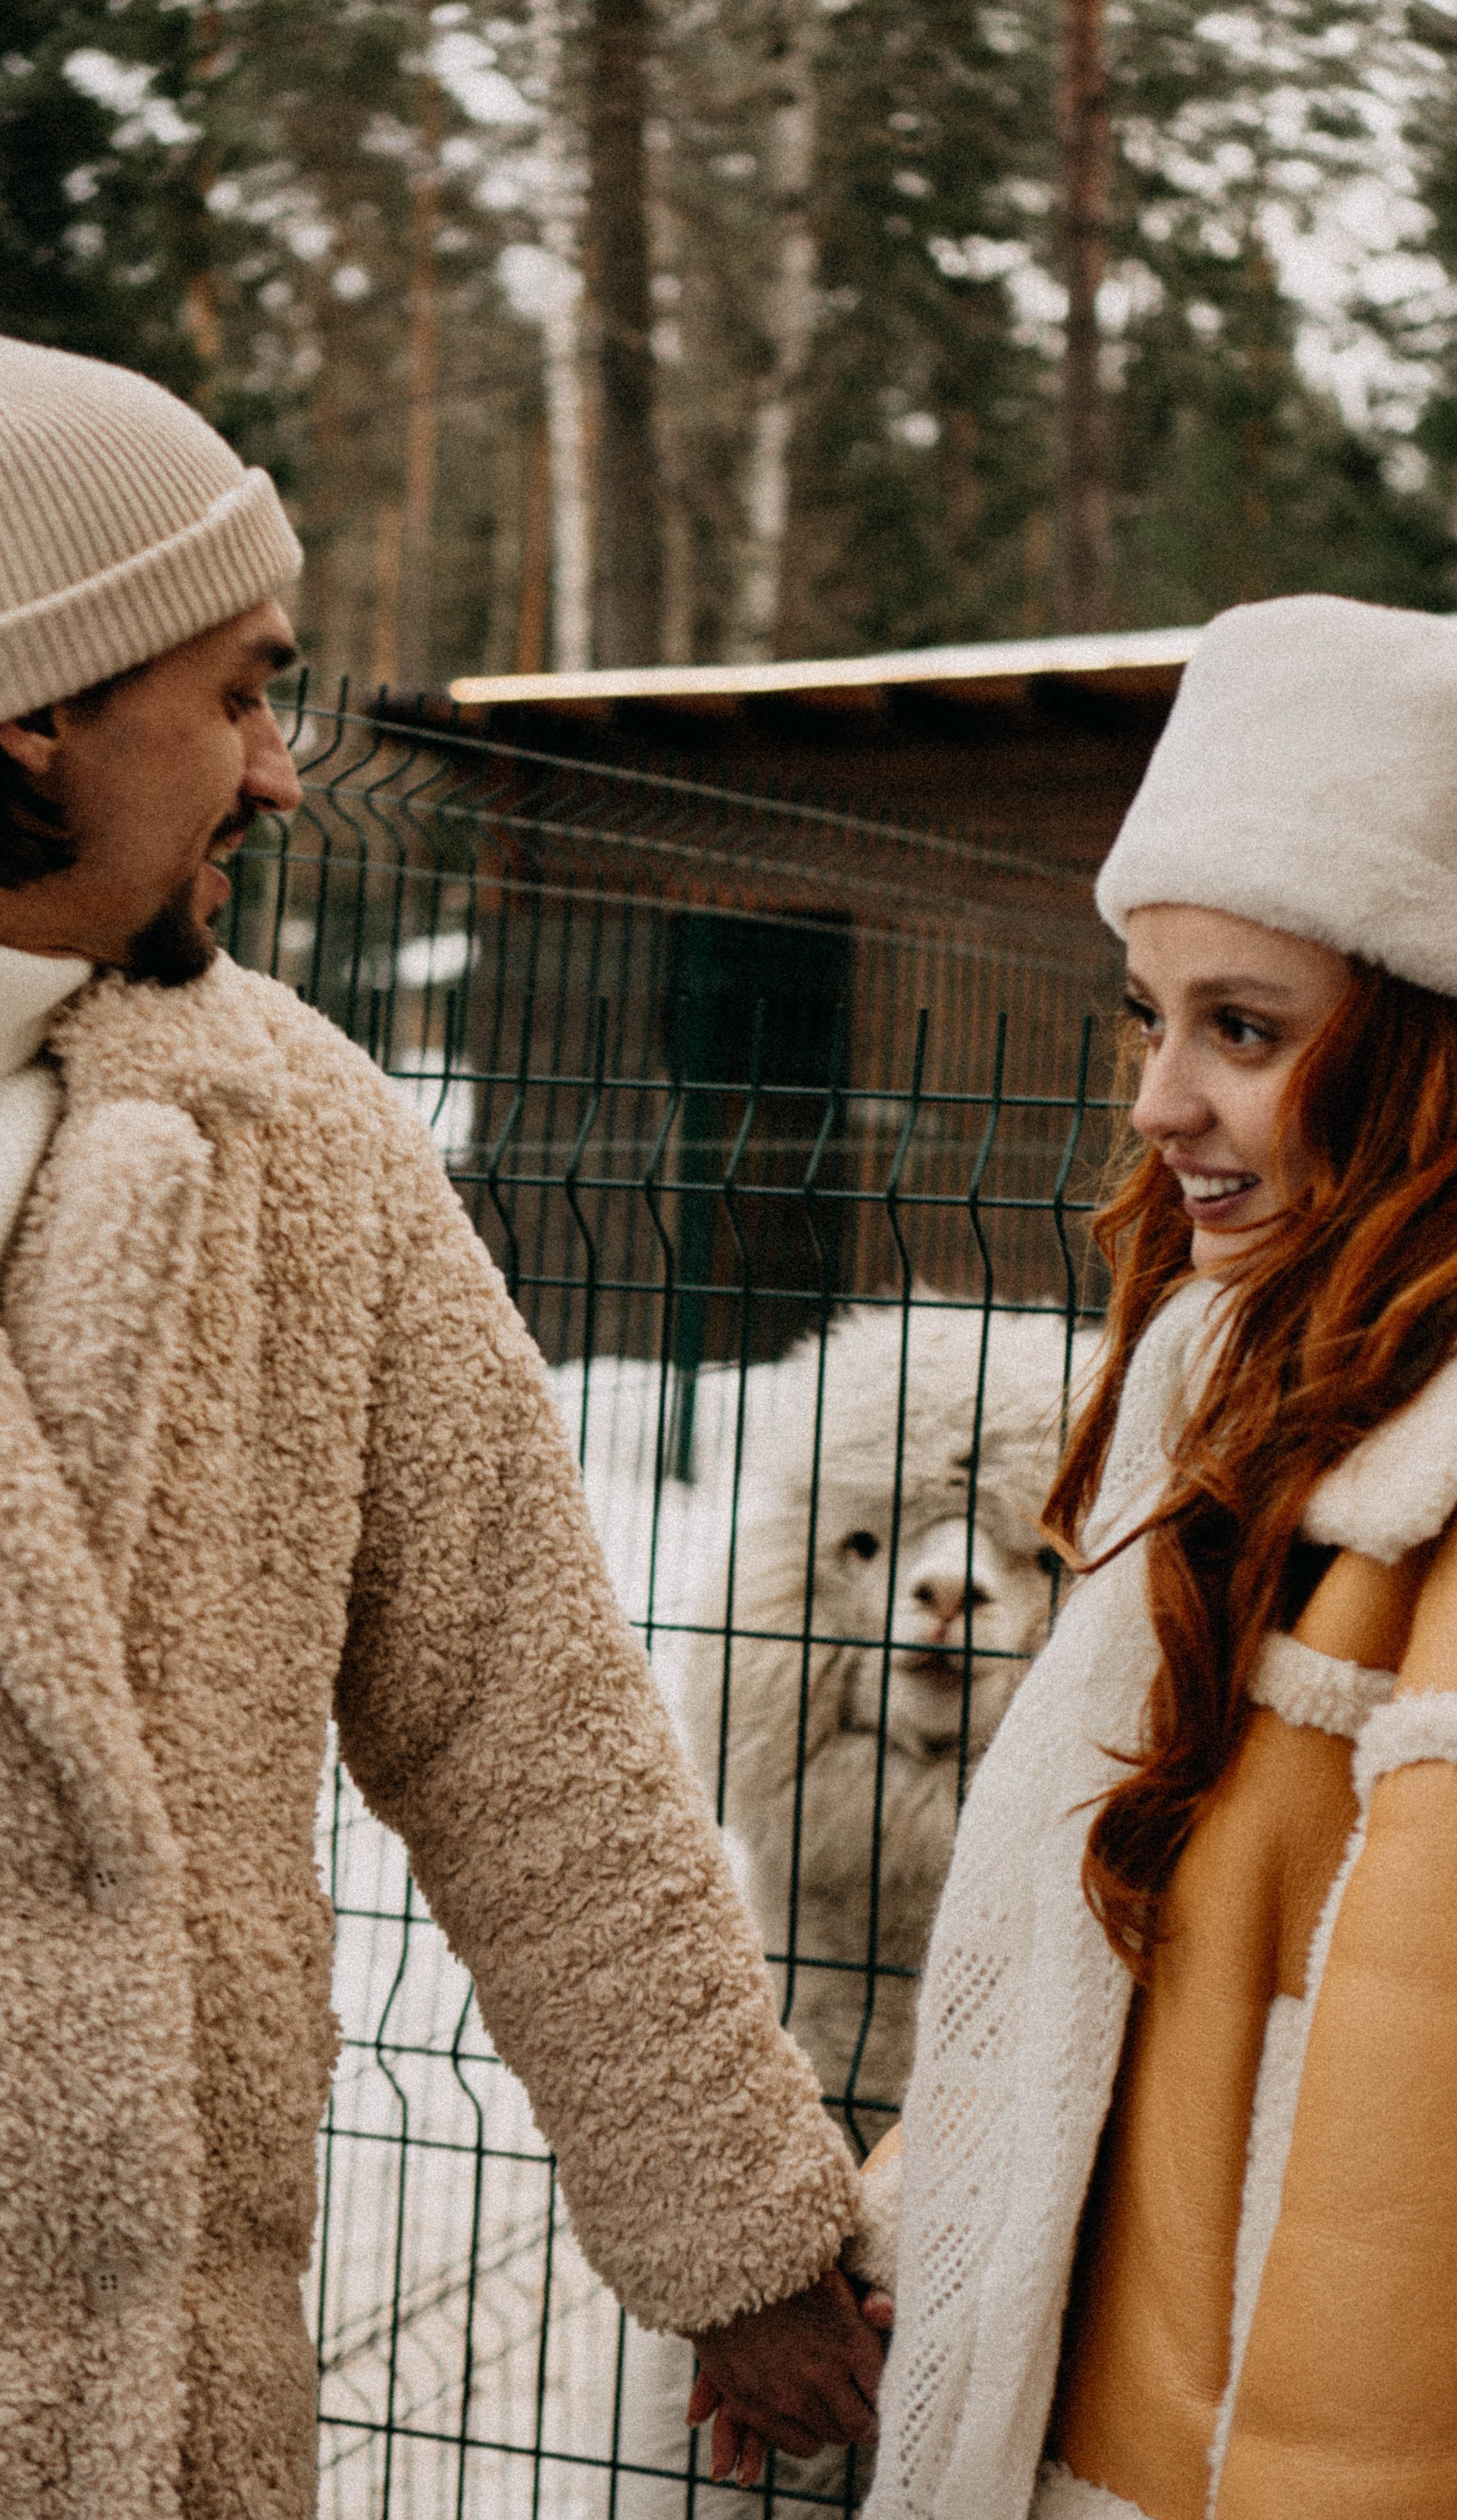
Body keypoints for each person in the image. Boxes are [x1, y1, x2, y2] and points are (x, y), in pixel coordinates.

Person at [0, 333, 884, 2517]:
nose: (284, 773)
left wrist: (741, 2241)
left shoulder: (302, 1134)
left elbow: (522, 1713)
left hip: (154, 2410)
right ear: (31, 712)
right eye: (236, 692)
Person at [860, 593, 1457, 2520]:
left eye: (1245, 1029)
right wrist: (923, 2237)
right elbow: (1140, 1975)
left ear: (1438, 1054)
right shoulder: (1263, 1380)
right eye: (1152, 1016)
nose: (1160, 1101)